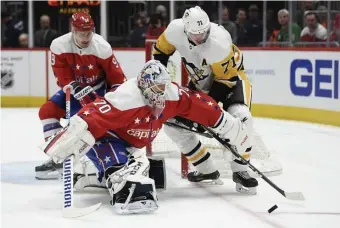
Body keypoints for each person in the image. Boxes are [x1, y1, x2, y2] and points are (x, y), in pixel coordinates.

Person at [41, 60, 250, 214]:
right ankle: (108, 172)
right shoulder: (127, 98)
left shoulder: (171, 95)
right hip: (109, 137)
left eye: (164, 88)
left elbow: (199, 104)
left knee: (145, 174)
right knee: (121, 174)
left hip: (135, 145)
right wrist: (76, 131)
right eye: (157, 88)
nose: (161, 94)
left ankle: (89, 176)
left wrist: (229, 126)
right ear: (144, 85)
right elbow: (93, 115)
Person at [152, 6, 258, 194]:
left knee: (242, 118)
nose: (201, 38)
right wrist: (160, 75)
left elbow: (225, 81)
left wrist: (205, 113)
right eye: (195, 35)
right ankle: (206, 169)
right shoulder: (175, 30)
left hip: (231, 82)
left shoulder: (219, 42)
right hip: (201, 85)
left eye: (204, 33)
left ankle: (241, 170)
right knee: (172, 124)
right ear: (185, 30)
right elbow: (160, 52)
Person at [35, 11, 126, 180]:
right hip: (72, 91)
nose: (86, 38)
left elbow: (117, 79)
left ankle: (106, 163)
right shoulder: (59, 45)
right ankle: (59, 158)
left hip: (96, 93)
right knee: (47, 112)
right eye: (82, 34)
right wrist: (73, 86)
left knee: (91, 128)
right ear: (73, 31)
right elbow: (62, 77)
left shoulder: (102, 47)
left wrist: (113, 100)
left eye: (89, 33)